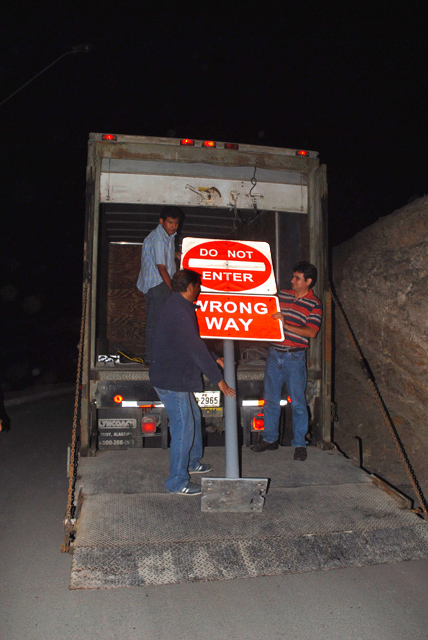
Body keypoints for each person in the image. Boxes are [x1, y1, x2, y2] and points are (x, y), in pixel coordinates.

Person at [150, 269, 235, 495]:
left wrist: (214, 357)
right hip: (172, 379)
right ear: (189, 288)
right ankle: (177, 481)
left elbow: (190, 341)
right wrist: (218, 379)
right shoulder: (178, 311)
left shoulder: (179, 306)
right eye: (198, 285)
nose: (200, 289)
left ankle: (191, 462)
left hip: (175, 375)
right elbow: (194, 348)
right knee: (183, 428)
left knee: (194, 417)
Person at [251, 261, 322, 461]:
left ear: (308, 282)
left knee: (298, 402)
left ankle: (300, 444)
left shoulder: (314, 304)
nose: (292, 280)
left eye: (297, 278)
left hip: (294, 357)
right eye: (293, 276)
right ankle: (270, 439)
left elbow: (312, 332)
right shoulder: (282, 295)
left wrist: (287, 326)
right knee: (270, 400)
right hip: (274, 354)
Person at [136, 206, 182, 362]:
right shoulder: (159, 238)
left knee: (162, 322)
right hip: (157, 285)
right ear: (161, 221)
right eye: (170, 222)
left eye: (176, 223)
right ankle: (151, 359)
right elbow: (161, 268)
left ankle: (160, 357)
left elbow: (164, 256)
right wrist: (173, 290)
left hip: (160, 284)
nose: (173, 226)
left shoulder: (167, 237)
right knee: (156, 322)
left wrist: (177, 255)